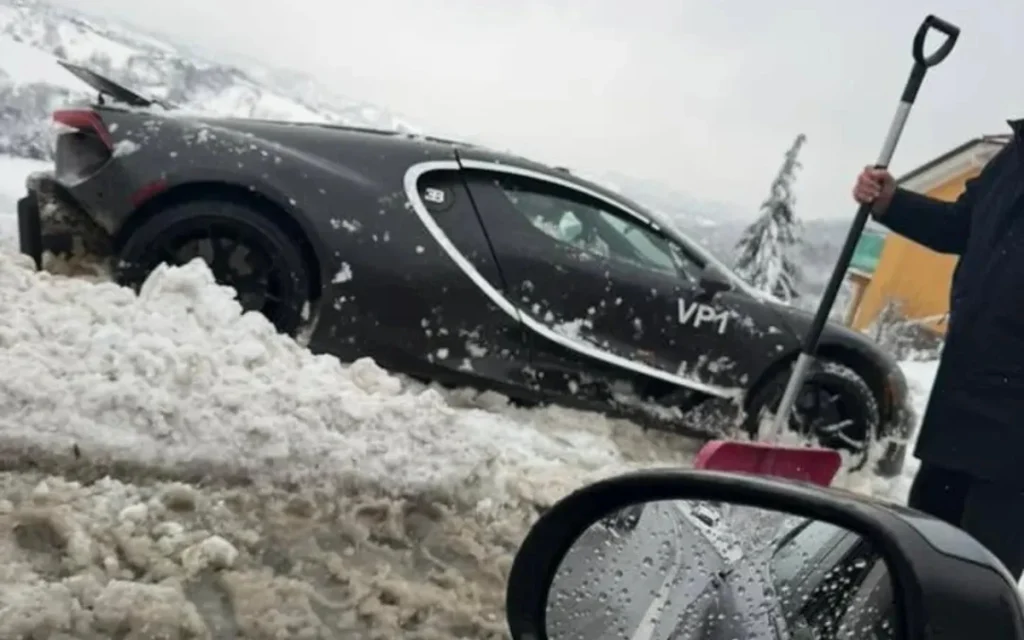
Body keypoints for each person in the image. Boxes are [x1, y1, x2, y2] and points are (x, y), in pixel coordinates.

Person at [853, 123, 1024, 581]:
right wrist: (891, 202)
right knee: (921, 550)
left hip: (1016, 429)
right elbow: (961, 225)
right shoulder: (1013, 158)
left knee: (980, 574)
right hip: (962, 390)